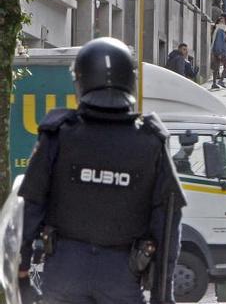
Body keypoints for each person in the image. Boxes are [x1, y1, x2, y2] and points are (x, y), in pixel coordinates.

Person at [16, 37, 185, 304]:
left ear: (80, 82)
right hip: (121, 276)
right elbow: (167, 220)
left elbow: (31, 204)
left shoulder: (58, 134)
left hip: (64, 273)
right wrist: (162, 293)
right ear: (130, 81)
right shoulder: (151, 141)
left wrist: (22, 270)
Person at [210, 16, 226, 89]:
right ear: (218, 22)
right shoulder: (220, 30)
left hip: (216, 51)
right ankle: (220, 81)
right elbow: (219, 42)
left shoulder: (218, 30)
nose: (223, 23)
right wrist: (219, 53)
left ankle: (214, 83)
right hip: (220, 51)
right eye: (221, 21)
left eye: (223, 21)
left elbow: (224, 41)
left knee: (216, 67)